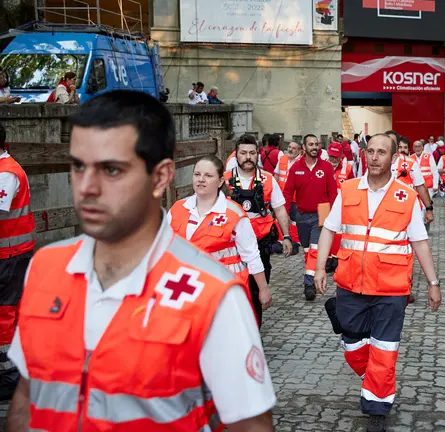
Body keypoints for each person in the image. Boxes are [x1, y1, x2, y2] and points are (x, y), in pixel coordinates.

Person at [6, 90, 276, 431]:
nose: (87, 186)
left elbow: (250, 424)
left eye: (112, 170)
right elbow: (27, 397)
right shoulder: (45, 268)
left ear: (160, 177)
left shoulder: (214, 296)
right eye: (78, 166)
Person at [314, 133, 442, 432]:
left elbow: (420, 242)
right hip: (350, 285)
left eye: (381, 152)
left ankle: (376, 409)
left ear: (393, 158)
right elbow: (329, 230)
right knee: (352, 343)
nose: (374, 157)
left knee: (384, 349)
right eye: (370, 151)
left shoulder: (406, 196)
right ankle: (373, 377)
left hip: (391, 289)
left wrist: (433, 282)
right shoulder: (347, 191)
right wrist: (319, 268)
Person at [168, 155, 272, 320]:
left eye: (208, 176)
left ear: (220, 181)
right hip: (185, 286)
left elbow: (251, 254)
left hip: (224, 287)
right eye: (197, 174)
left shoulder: (233, 213)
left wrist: (263, 289)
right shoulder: (177, 208)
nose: (201, 180)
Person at [224, 133, 293, 324]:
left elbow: (279, 208)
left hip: (260, 244)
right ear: (236, 155)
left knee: (257, 292)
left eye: (252, 153)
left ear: (258, 155)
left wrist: (286, 236)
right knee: (231, 290)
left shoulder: (268, 179)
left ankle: (254, 332)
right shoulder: (224, 181)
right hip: (231, 246)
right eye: (243, 153)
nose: (248, 157)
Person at [0, 123, 35, 405]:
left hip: (10, 256)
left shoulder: (7, 174)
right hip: (10, 254)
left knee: (5, 316)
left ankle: (8, 379)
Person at [283, 134, 338, 301]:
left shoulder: (327, 167)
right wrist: (284, 212)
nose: (315, 147)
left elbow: (333, 193)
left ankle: (308, 283)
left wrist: (334, 215)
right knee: (307, 250)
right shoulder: (295, 168)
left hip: (321, 214)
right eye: (311, 144)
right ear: (304, 148)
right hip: (301, 215)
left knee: (315, 248)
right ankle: (311, 273)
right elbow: (287, 191)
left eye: (317, 144)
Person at [387, 133, 434, 225]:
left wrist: (428, 209)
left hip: (408, 207)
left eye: (393, 142)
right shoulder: (377, 163)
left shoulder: (410, 163)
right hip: (386, 208)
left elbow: (420, 186)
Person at [325, 142, 353, 273]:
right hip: (324, 205)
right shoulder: (322, 166)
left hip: (341, 204)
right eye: (331, 156)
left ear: (341, 155)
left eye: (336, 157)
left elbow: (353, 186)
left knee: (339, 232)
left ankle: (336, 258)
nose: (333, 159)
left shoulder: (347, 168)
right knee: (325, 230)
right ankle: (327, 258)